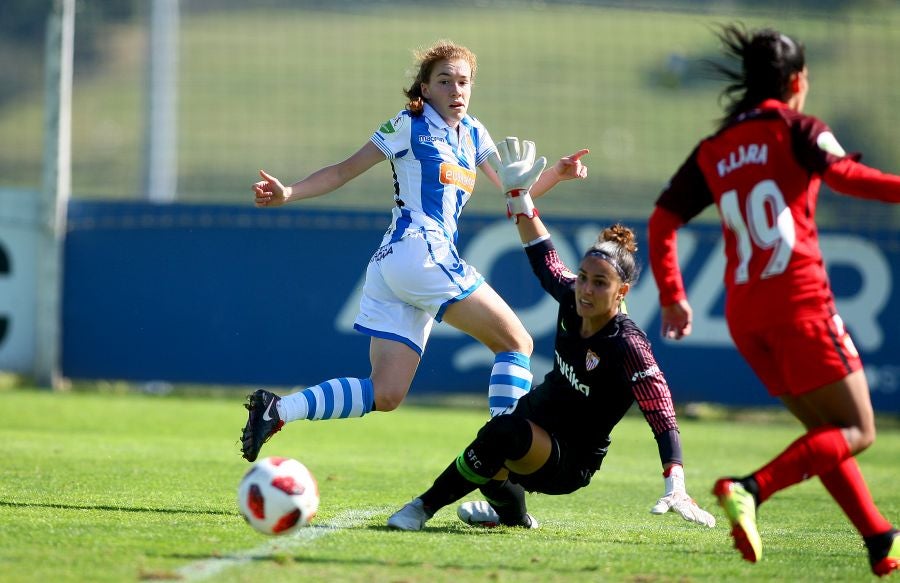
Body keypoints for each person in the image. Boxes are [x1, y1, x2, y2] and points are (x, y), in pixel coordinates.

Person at [240, 40, 589, 463]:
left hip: (399, 266)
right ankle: (505, 459)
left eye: (464, 82)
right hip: (419, 252)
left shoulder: (475, 133)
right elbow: (343, 170)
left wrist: (557, 174)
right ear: (424, 87)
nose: (456, 90)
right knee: (516, 344)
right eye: (444, 81)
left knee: (385, 393)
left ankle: (279, 410)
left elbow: (515, 195)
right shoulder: (409, 123)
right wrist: (289, 193)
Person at [647, 24, 900, 576]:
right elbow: (849, 177)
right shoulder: (798, 127)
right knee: (859, 431)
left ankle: (879, 537)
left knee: (824, 435)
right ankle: (749, 489)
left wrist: (673, 296)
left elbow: (663, 220)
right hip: (800, 303)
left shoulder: (715, 148)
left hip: (745, 314)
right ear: (796, 81)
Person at [386, 137, 715, 532]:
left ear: (622, 292)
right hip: (536, 418)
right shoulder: (572, 296)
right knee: (494, 445)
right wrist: (518, 196)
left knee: (501, 436)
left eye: (600, 284)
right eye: (585, 279)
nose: (586, 290)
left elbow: (662, 414)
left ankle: (421, 508)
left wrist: (675, 483)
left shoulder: (628, 344)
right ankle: (512, 515)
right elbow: (545, 257)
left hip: (569, 458)